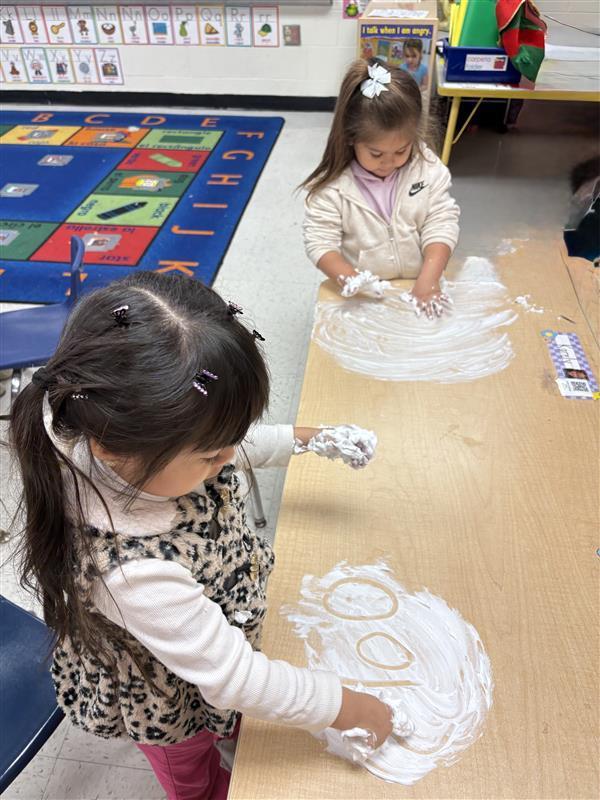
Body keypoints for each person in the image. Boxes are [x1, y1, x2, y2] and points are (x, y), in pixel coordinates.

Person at [8, 271, 391, 800]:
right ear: (116, 451)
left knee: (232, 717)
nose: (228, 458)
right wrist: (350, 707)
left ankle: (229, 734)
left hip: (211, 642)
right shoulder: (132, 572)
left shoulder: (144, 440)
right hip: (166, 697)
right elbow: (235, 679)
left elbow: (231, 443)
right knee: (191, 770)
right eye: (213, 455)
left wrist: (306, 438)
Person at [303, 58, 460, 319]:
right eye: (376, 154)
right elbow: (320, 243)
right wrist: (354, 281)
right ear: (351, 137)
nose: (388, 162)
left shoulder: (426, 167)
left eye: (401, 150)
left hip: (418, 282)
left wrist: (429, 279)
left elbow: (441, 221)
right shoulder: (333, 188)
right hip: (365, 297)